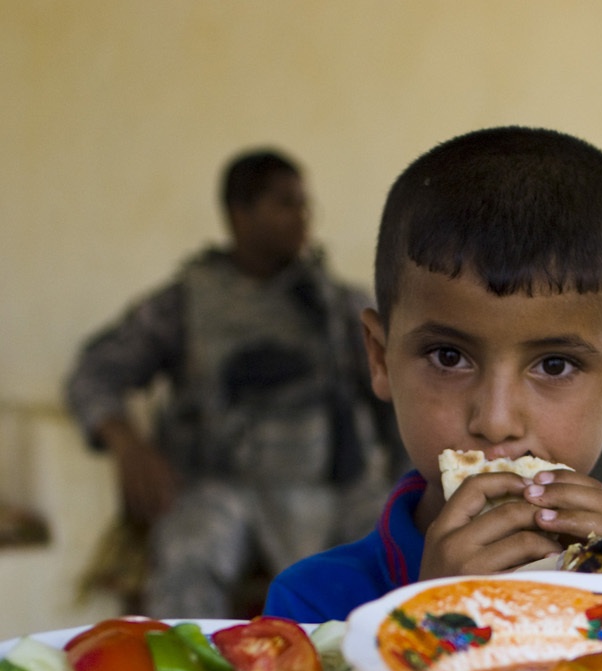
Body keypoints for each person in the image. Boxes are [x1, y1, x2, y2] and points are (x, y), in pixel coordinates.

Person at [265, 126, 602, 622]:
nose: (496, 423)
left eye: (554, 365)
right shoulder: (315, 604)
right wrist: (429, 624)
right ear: (379, 357)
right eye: (449, 357)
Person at [66, 148, 400, 617]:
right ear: (239, 214)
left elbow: (398, 390)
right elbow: (94, 372)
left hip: (334, 489)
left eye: (305, 204)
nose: (302, 217)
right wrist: (128, 445)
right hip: (225, 489)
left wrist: (410, 484)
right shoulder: (186, 304)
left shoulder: (336, 305)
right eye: (285, 203)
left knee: (394, 546)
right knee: (190, 552)